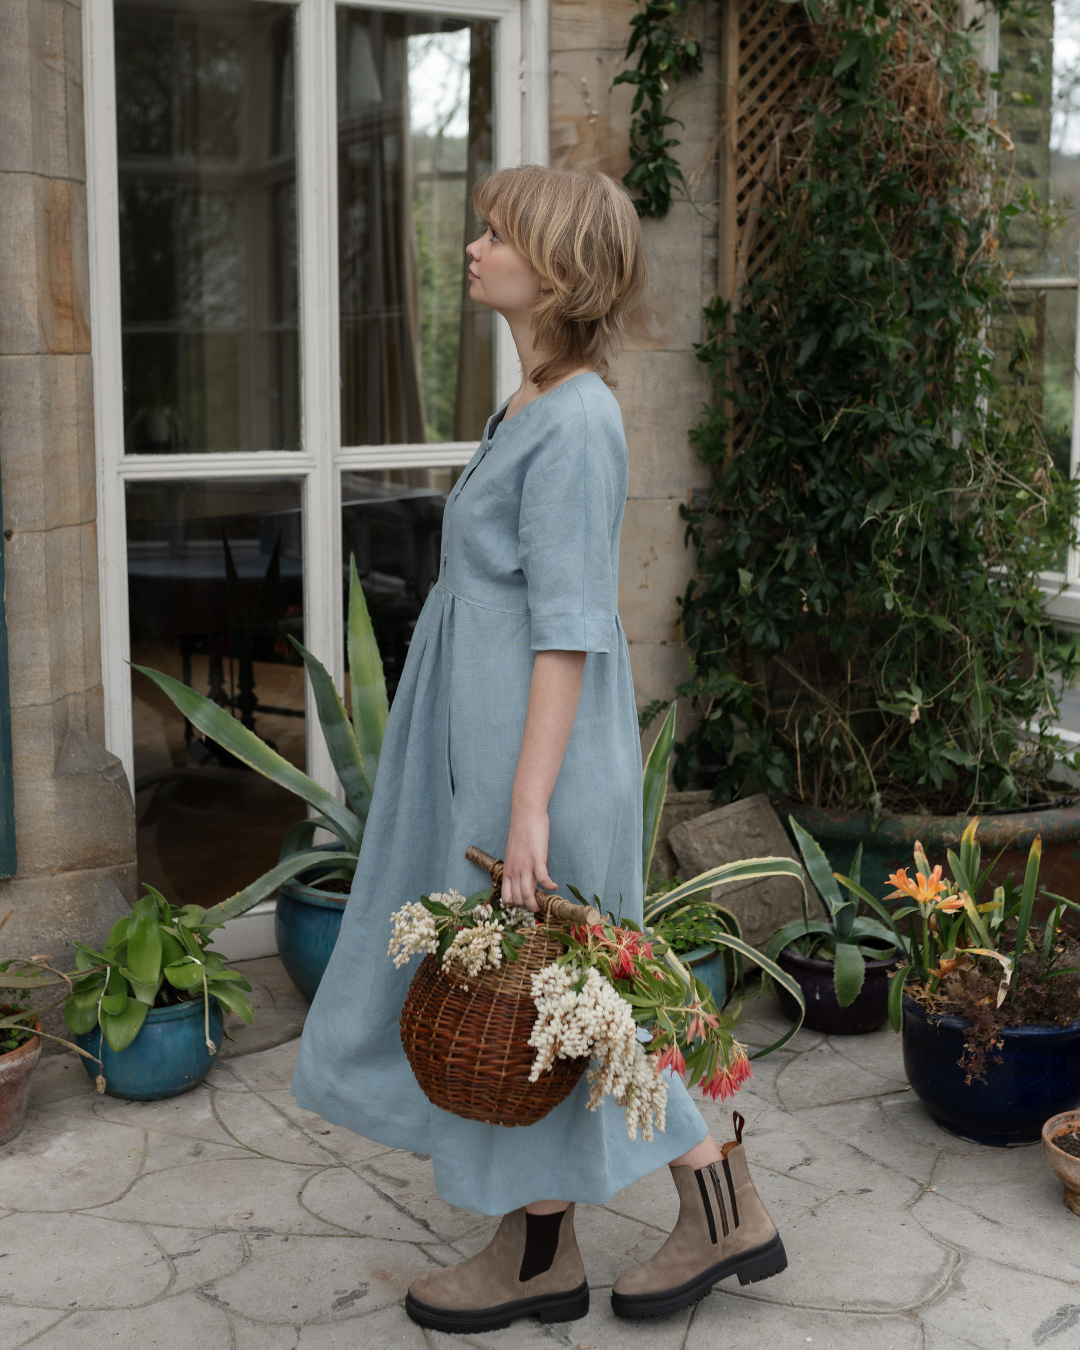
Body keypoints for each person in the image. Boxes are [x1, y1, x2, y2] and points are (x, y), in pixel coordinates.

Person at [290, 164, 786, 1333]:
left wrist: (526, 808)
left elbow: (565, 632)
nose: (472, 246)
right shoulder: (534, 401)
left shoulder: (576, 422)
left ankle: (720, 1206)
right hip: (495, 751)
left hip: (539, 763)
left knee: (586, 1000)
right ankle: (540, 1254)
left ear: (554, 268)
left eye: (497, 232)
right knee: (545, 1009)